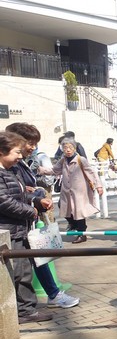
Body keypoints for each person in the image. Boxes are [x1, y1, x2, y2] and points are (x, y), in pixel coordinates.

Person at [4, 123, 79, 309]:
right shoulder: (10, 166)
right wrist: (31, 203)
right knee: (24, 269)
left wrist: (32, 194)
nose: (33, 147)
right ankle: (26, 308)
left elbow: (19, 190)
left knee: (37, 260)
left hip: (26, 220)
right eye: (30, 143)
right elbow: (6, 198)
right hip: (17, 222)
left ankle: (47, 297)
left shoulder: (20, 162)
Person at [0, 131, 55, 323]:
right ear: (2, 151)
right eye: (16, 152)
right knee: (18, 273)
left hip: (20, 229)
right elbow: (4, 202)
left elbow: (21, 196)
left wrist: (38, 202)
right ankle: (23, 311)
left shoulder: (13, 170)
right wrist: (30, 211)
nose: (20, 156)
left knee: (23, 271)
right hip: (9, 231)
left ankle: (25, 309)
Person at [49, 138, 103, 244]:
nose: (68, 150)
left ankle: (81, 234)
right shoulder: (63, 160)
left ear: (74, 148)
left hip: (79, 191)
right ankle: (74, 225)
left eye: (70, 147)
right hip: (67, 191)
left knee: (78, 212)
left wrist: (98, 186)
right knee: (63, 206)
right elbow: (54, 170)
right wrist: (40, 170)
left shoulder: (80, 159)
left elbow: (91, 172)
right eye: (65, 148)